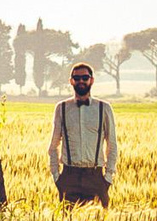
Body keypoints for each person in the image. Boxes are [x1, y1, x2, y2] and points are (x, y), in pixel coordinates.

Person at [49, 61, 117, 205]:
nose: (81, 81)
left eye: (85, 78)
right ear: (71, 81)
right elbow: (53, 145)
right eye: (77, 78)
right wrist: (57, 177)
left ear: (91, 80)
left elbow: (112, 144)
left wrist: (108, 178)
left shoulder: (104, 108)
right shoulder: (61, 108)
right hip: (69, 177)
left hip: (96, 177)